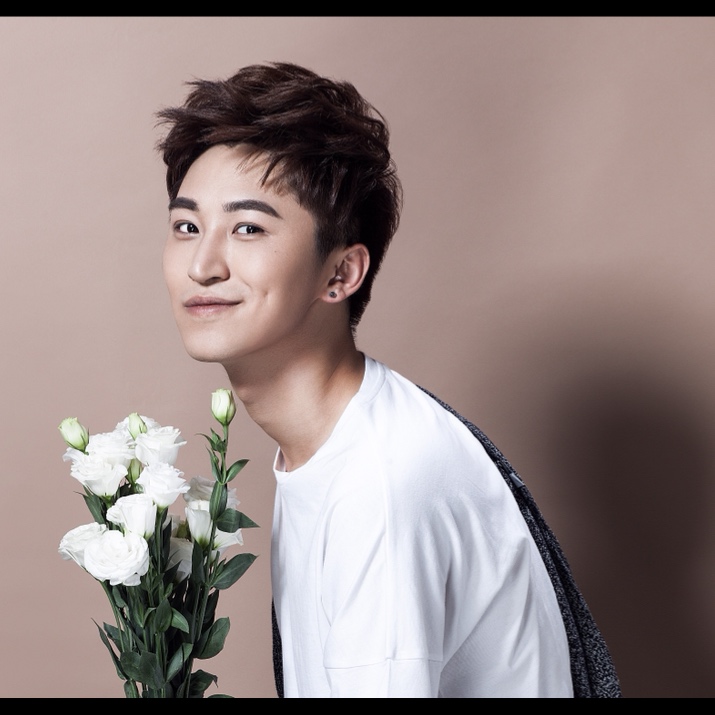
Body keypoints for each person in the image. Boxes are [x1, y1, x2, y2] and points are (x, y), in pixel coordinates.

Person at [155, 61, 621, 698]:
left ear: (341, 274)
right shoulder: (343, 440)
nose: (202, 265)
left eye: (248, 228)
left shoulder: (378, 483)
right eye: (187, 227)